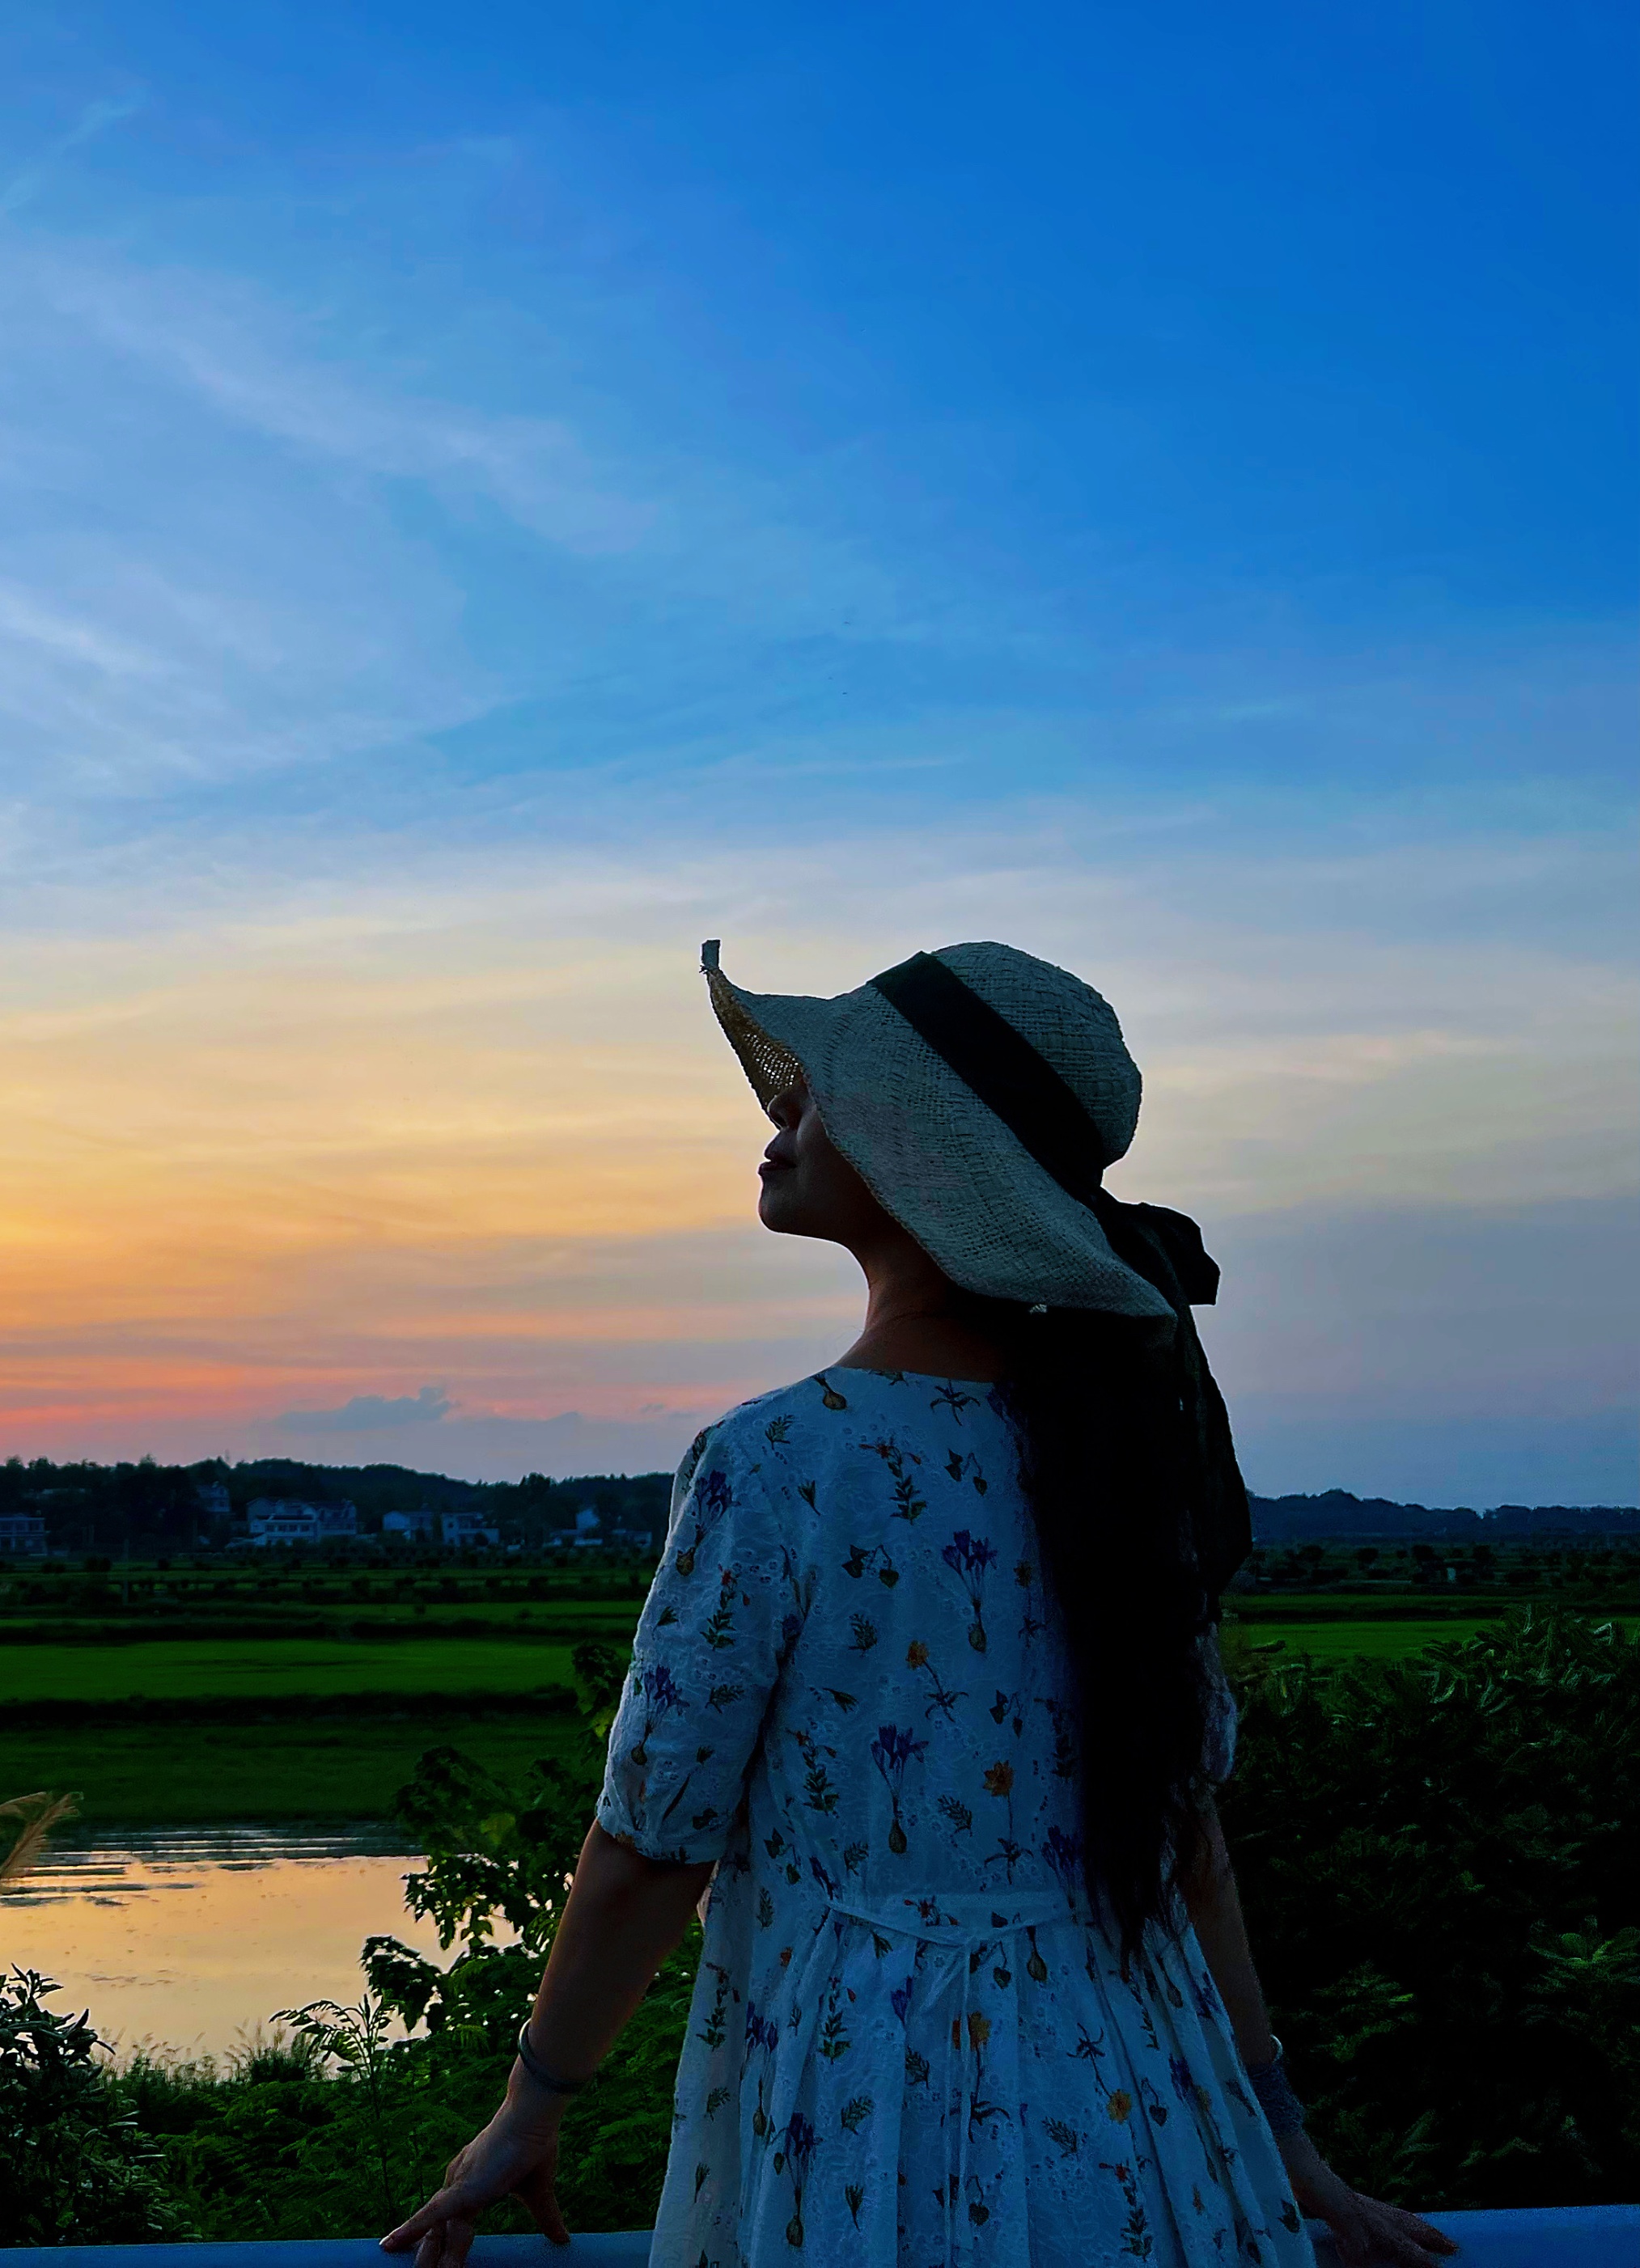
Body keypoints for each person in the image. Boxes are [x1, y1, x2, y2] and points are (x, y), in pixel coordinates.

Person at [381, 941, 1456, 2268]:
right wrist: (1282, 2145)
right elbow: (1186, 1846)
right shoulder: (1127, 1458)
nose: (780, 1117)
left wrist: (528, 2107)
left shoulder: (780, 1463)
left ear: (910, 1143)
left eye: (815, 1094)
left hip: (869, 2122)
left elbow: (652, 1847)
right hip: (1160, 2136)